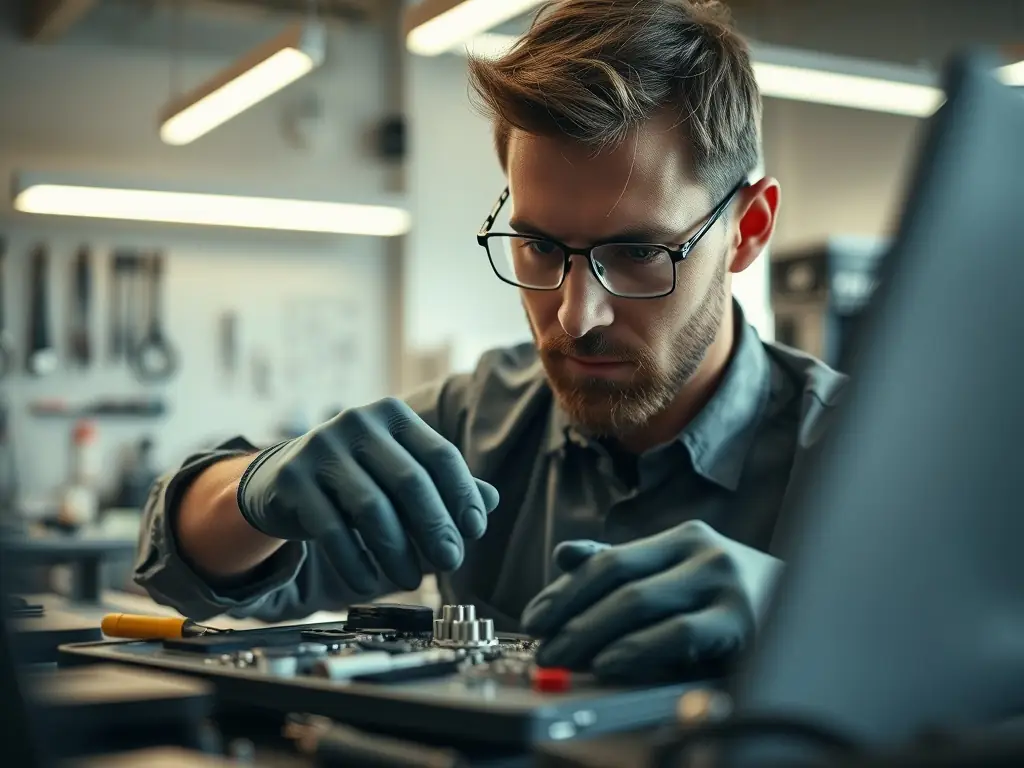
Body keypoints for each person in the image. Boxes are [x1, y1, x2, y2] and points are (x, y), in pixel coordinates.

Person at [134, 0, 846, 683]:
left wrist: (827, 625)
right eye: (537, 246)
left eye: (637, 252)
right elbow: (179, 572)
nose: (575, 317)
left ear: (748, 230)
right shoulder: (475, 424)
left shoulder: (864, 456)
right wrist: (250, 491)